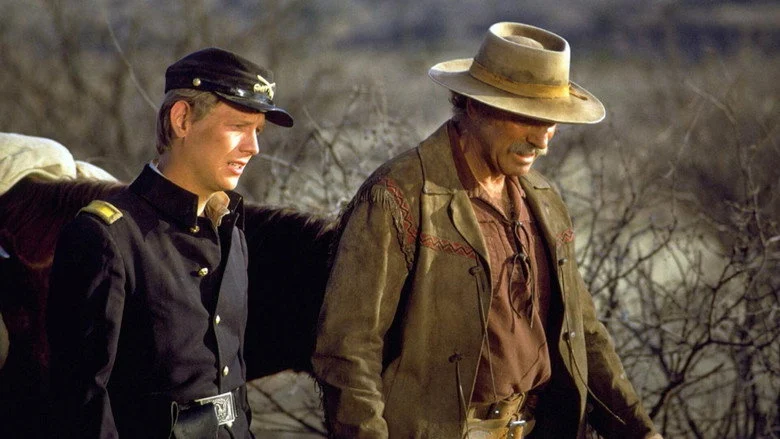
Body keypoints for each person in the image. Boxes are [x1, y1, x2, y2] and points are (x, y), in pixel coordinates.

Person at [312, 22, 663, 439]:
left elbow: (583, 334)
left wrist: (640, 432)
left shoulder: (543, 198)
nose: (542, 141)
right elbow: (347, 350)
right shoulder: (399, 196)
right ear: (476, 106)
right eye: (527, 118)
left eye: (551, 122)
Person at [47, 47, 293, 438]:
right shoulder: (105, 237)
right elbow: (80, 403)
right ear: (182, 119)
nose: (253, 147)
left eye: (257, 131)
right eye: (239, 127)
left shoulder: (232, 233)